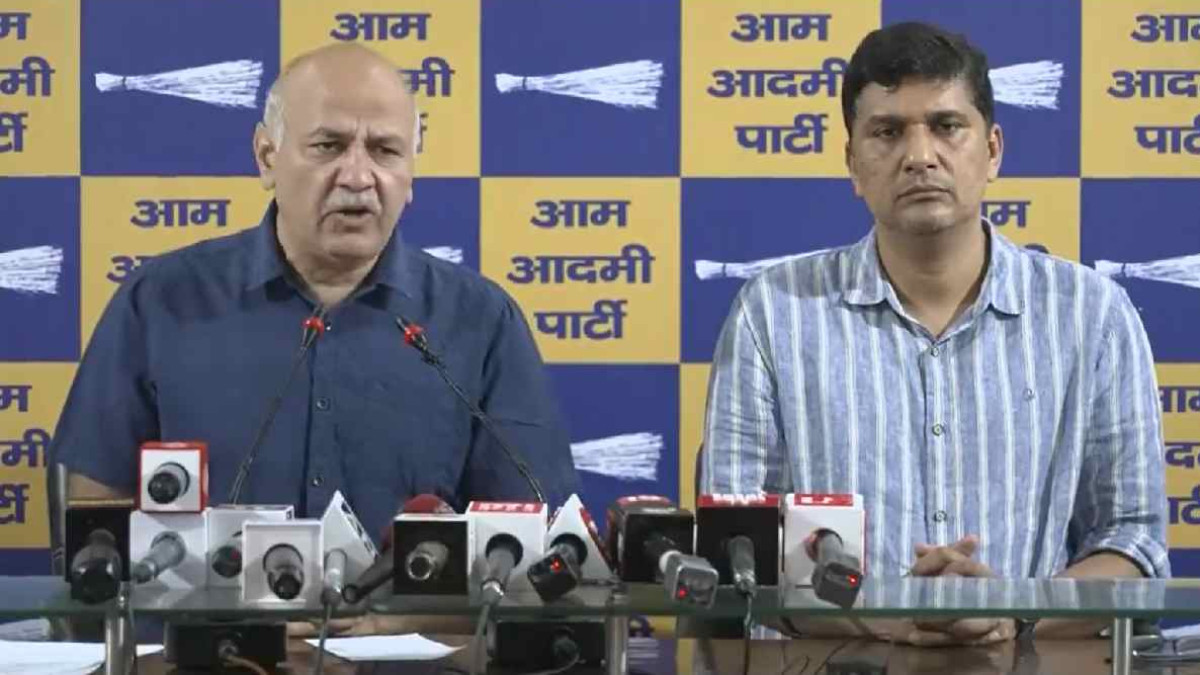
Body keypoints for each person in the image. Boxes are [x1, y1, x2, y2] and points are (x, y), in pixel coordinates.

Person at [700, 22, 1168, 646]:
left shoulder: (1092, 314)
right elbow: (735, 551)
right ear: (853, 164)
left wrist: (1013, 615)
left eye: (947, 126)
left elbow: (1134, 544)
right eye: (888, 132)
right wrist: (877, 617)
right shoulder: (772, 312)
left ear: (993, 151)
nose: (920, 156)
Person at [51, 43, 579, 552]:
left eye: (385, 150)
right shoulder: (161, 301)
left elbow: (530, 534)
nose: (358, 177)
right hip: (204, 618)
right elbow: (95, 514)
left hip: (413, 619)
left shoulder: (481, 320)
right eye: (329, 146)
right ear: (267, 157)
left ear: (411, 172)